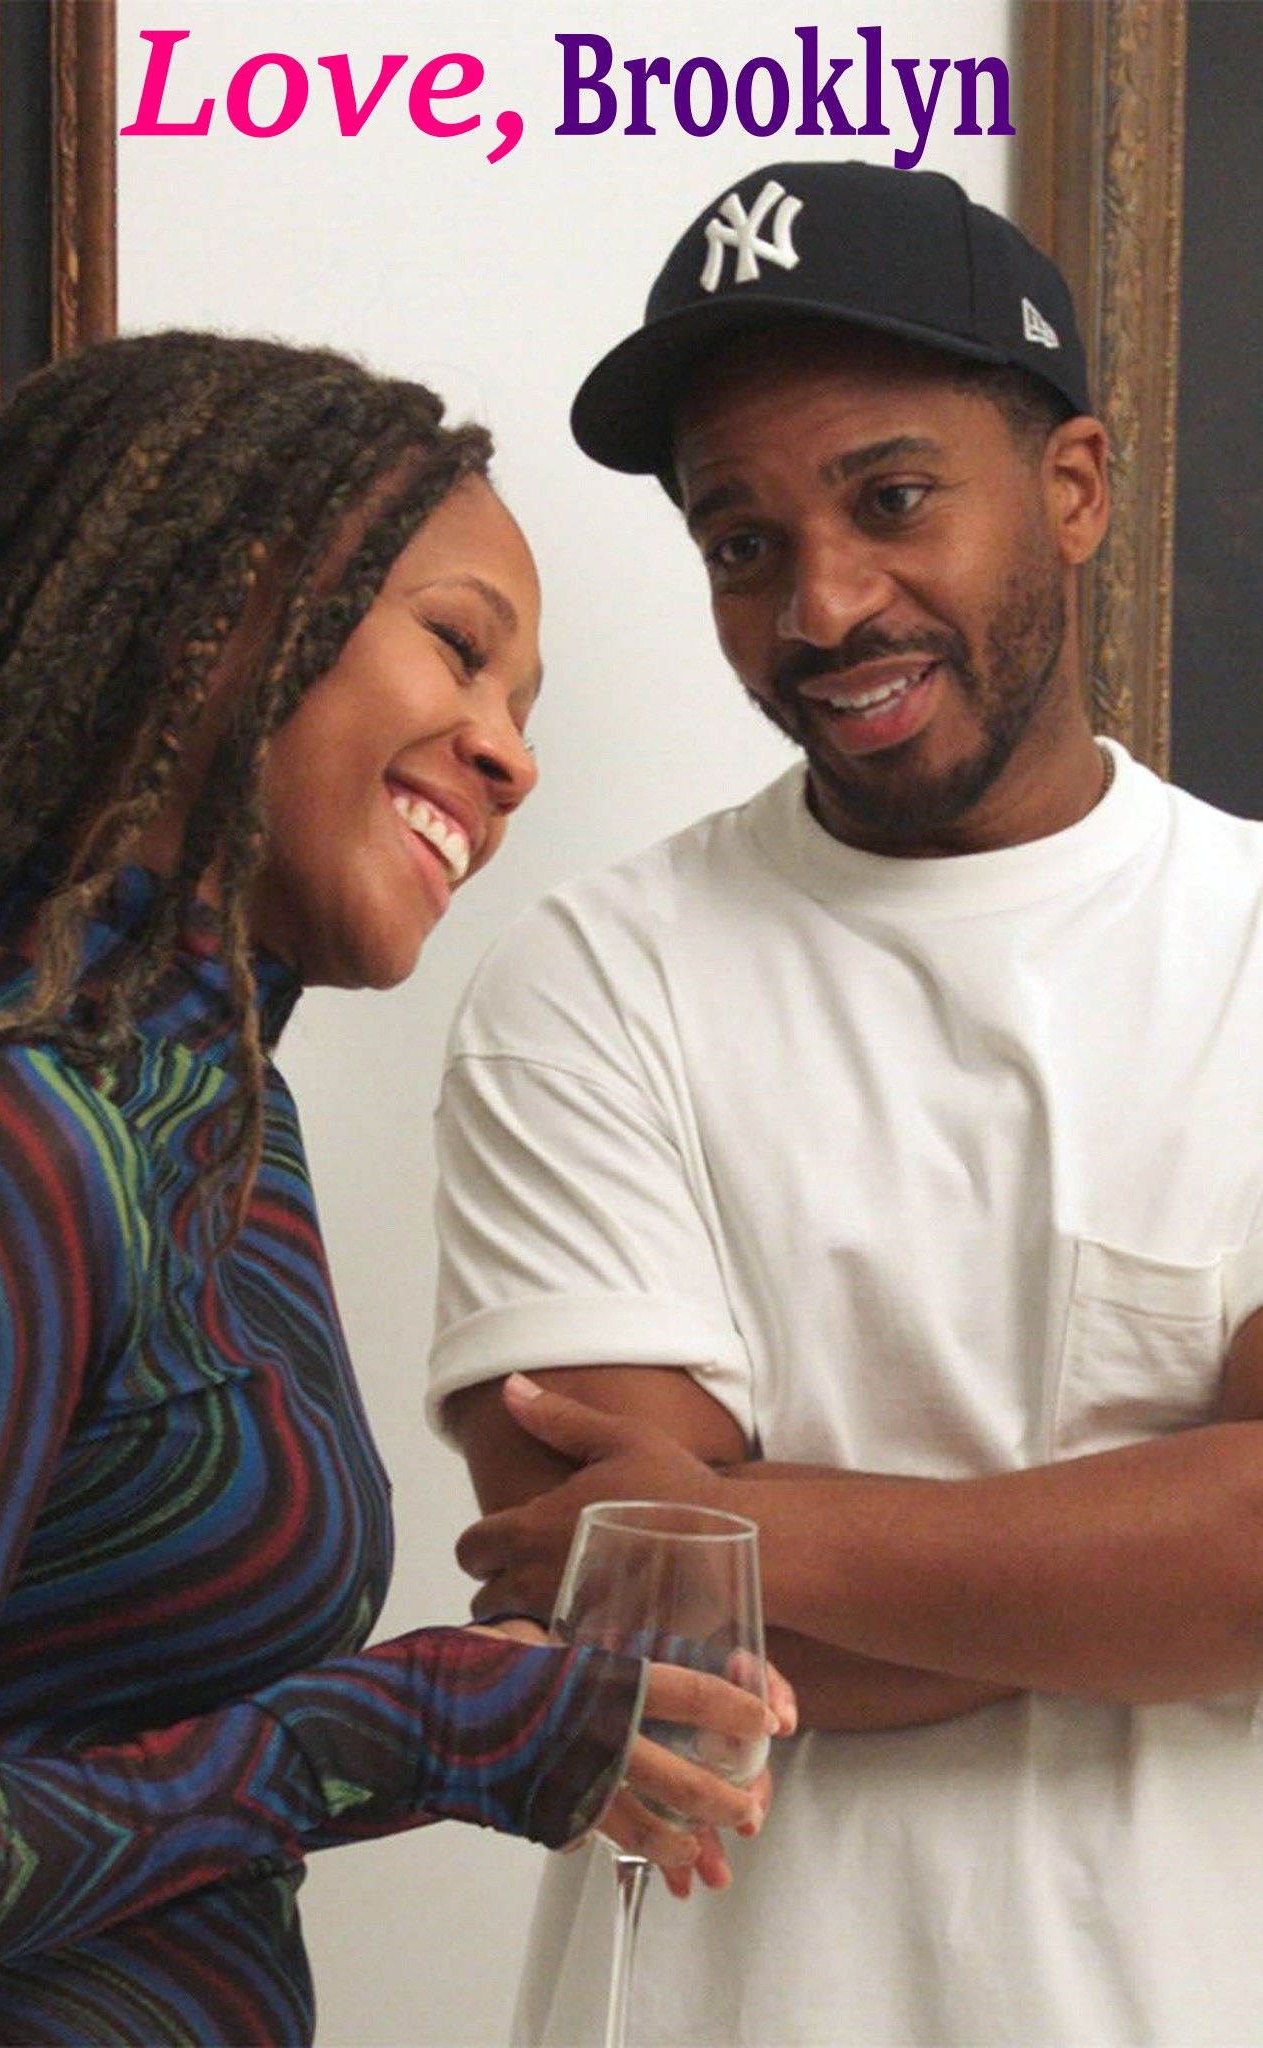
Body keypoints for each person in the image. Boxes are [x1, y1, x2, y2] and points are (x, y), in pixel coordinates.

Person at [430, 159, 1263, 2047]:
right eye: (740, 543)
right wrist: (1141, 1564)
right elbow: (642, 1635)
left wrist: (742, 1529)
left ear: (1072, 487)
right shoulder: (589, 983)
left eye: (891, 500)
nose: (820, 604)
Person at [0, 331, 788, 2048]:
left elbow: (152, 1761)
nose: (508, 757)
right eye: (458, 648)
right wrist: (381, 1734)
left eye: (523, 711)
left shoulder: (229, 1121)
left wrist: (490, 1723)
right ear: (216, 611)